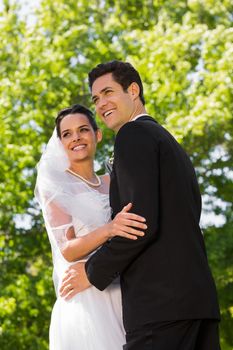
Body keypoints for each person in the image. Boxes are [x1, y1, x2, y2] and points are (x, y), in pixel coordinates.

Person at [60, 61, 221, 350]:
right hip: (197, 304)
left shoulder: (133, 135)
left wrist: (92, 271)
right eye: (96, 98)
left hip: (160, 309)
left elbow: (139, 223)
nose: (101, 103)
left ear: (133, 90)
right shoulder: (169, 142)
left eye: (108, 92)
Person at [35, 103, 147, 350]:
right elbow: (68, 249)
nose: (76, 137)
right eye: (67, 134)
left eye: (83, 129)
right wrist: (109, 229)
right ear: (60, 143)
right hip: (86, 301)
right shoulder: (55, 187)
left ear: (97, 135)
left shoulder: (114, 179)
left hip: (125, 292)